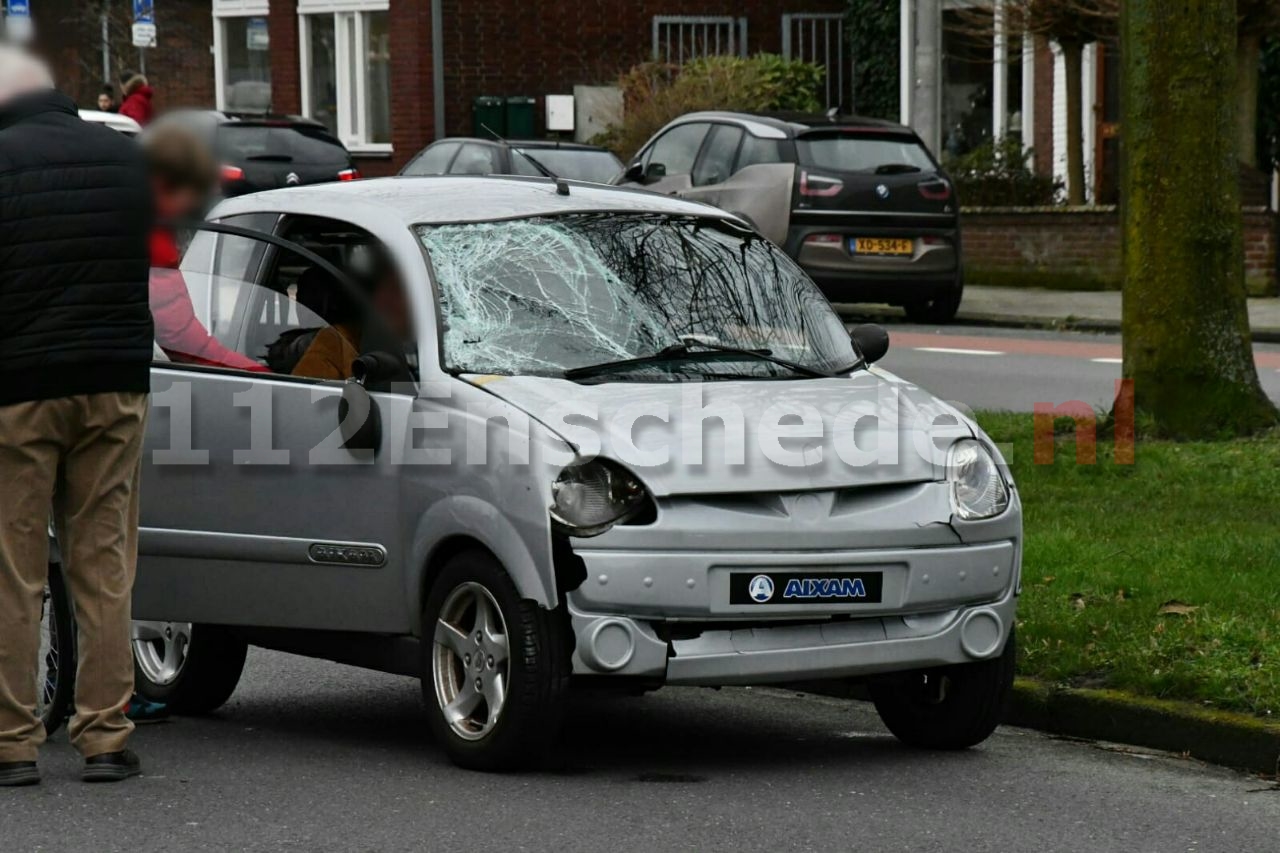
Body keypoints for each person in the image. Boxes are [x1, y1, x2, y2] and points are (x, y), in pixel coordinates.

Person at [0, 47, 153, 785]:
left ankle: (12, 743)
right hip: (115, 383)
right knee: (104, 564)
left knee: (13, 571)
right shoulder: (125, 157)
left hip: (20, 389)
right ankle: (105, 736)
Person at [145, 124, 268, 373]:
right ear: (170, 185)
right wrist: (258, 373)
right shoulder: (153, 241)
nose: (196, 207)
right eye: (196, 195)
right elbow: (183, 342)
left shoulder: (114, 212)